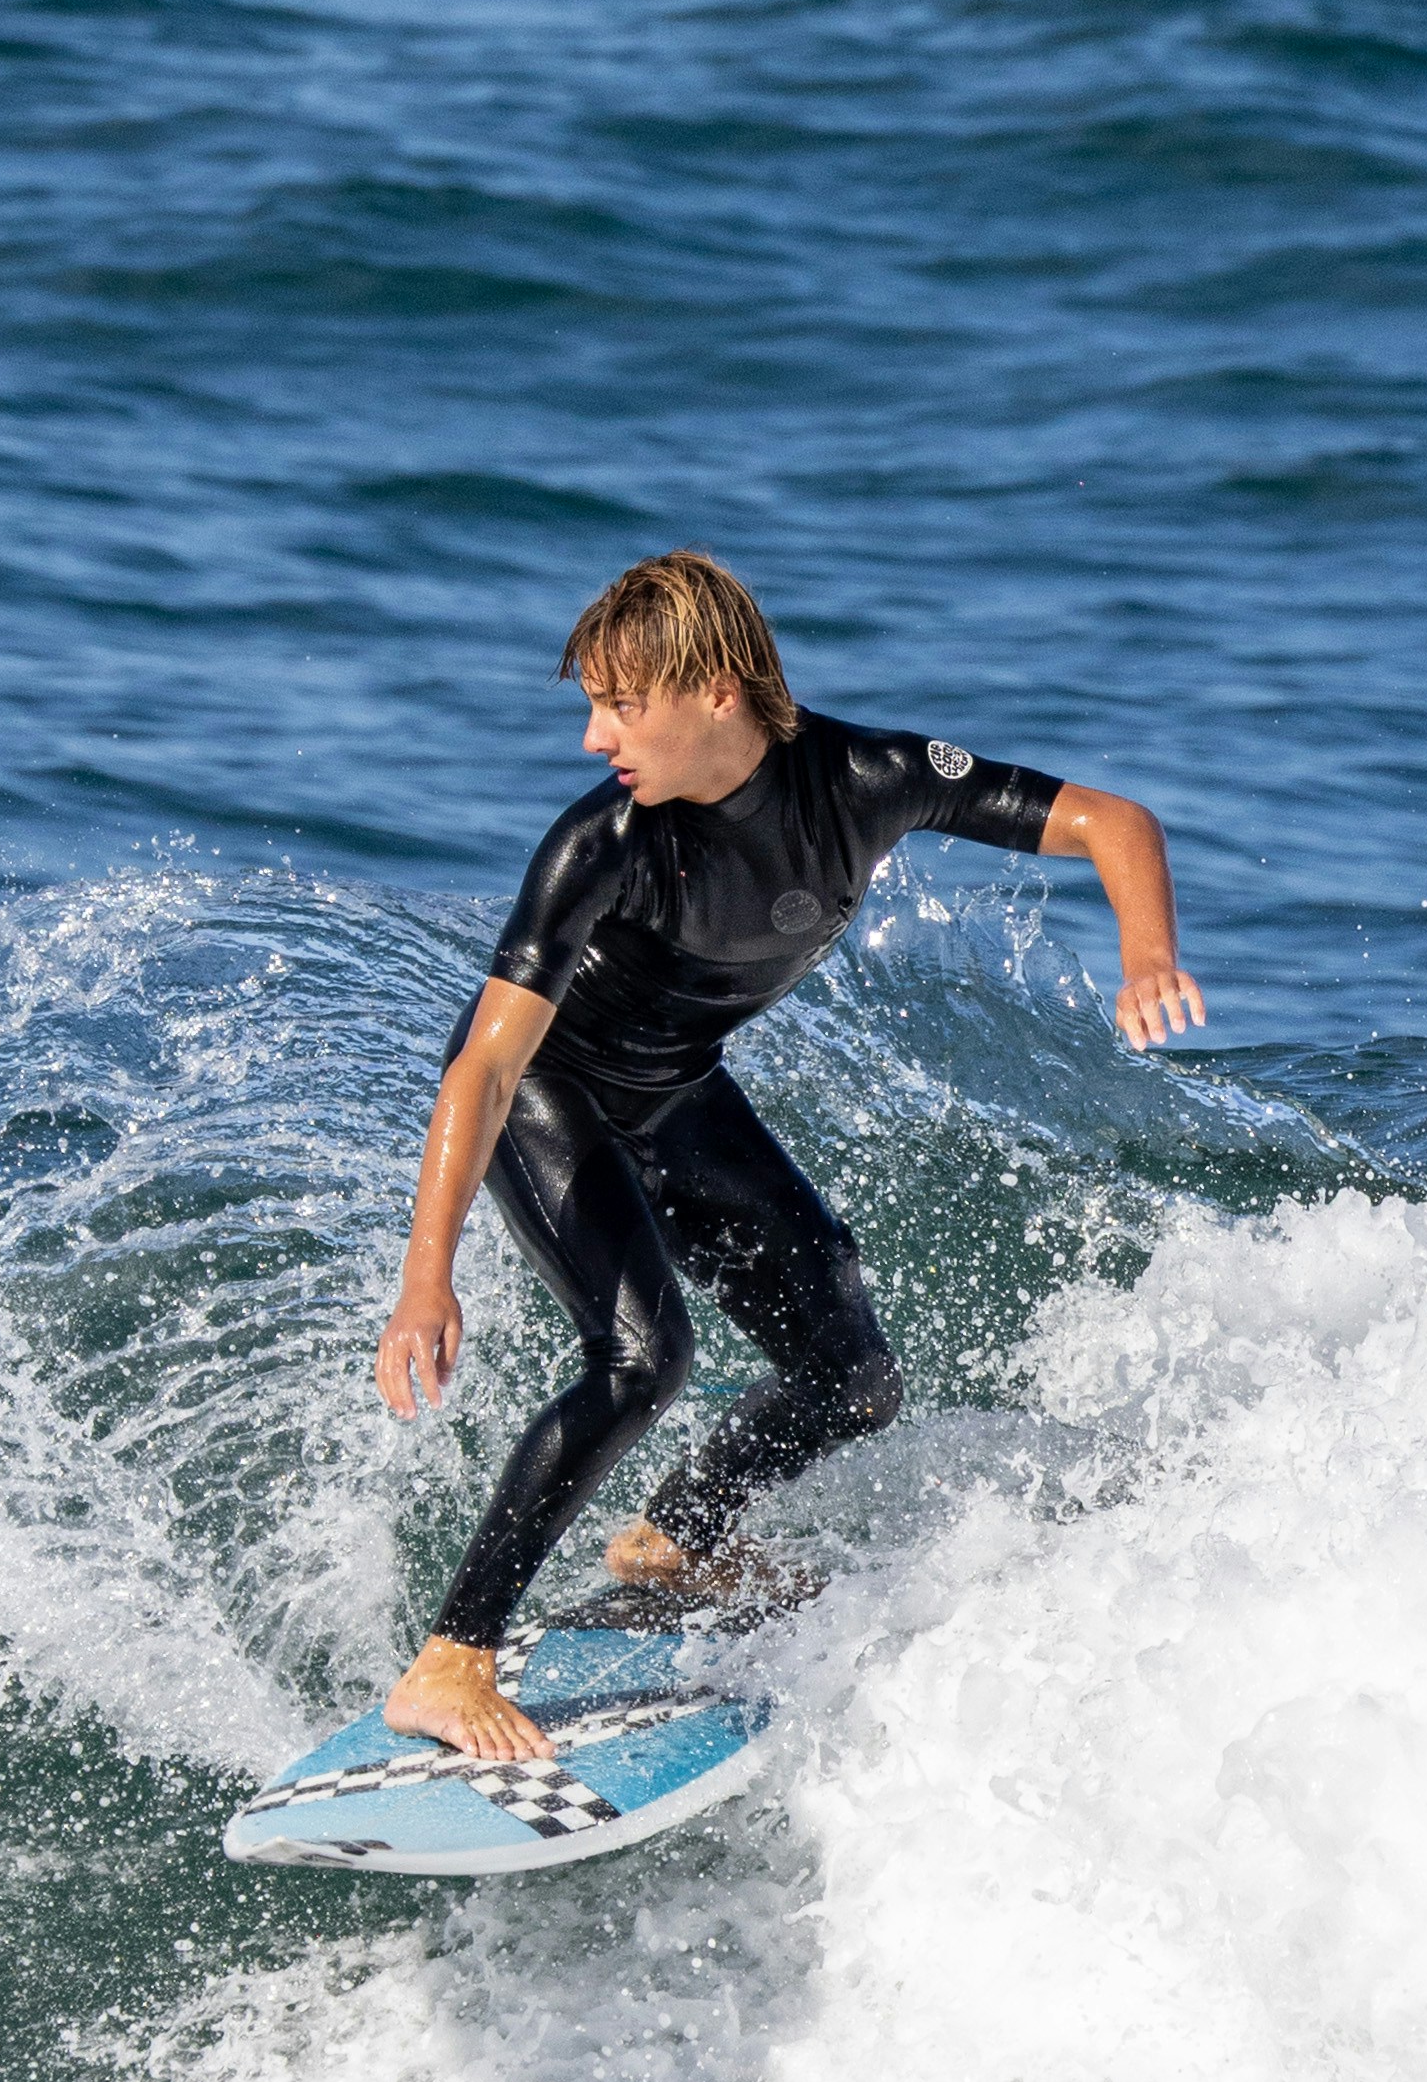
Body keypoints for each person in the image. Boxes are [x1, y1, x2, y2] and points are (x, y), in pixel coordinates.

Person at [369, 549, 1204, 1763]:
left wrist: (1145, 955)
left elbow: (1107, 820)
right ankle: (448, 1659)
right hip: (551, 1094)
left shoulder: (866, 780)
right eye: (591, 705)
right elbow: (486, 1069)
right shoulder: (600, 842)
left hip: (671, 1093)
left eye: (619, 702)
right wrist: (424, 1274)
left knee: (850, 1371)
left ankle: (677, 1539)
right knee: (641, 1358)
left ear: (711, 688)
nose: (596, 733)